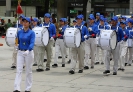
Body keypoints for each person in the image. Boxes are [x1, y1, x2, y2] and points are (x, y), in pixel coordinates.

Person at [14, 17, 35, 92]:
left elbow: (32, 42)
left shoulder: (31, 33)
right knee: (19, 70)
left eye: (26, 22)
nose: (24, 23)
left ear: (29, 23)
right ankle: (17, 88)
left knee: (28, 70)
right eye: (23, 22)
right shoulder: (19, 32)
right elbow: (17, 40)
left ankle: (28, 88)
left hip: (28, 53)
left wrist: (28, 50)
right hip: (20, 52)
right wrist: (16, 44)